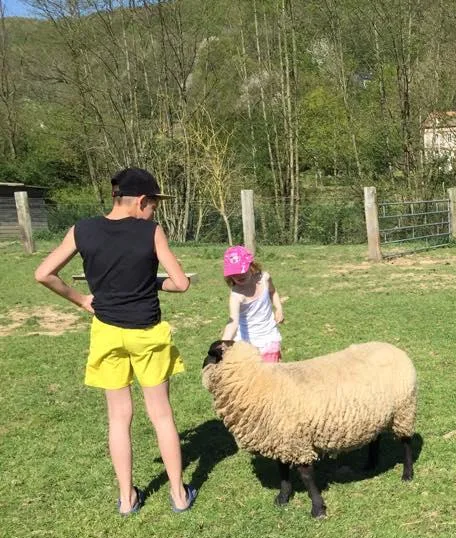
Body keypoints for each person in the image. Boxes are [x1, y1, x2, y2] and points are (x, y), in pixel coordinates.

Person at [34, 167, 197, 515]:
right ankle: (179, 496)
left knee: (118, 418)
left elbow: (43, 274)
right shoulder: (151, 232)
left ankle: (126, 500)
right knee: (161, 415)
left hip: (106, 332)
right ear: (141, 200)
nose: (155, 211)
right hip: (147, 334)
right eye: (154, 204)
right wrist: (153, 282)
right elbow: (181, 283)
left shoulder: (82, 230)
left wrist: (81, 300)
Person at [221, 246, 284, 362]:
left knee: (270, 375)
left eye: (242, 271)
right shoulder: (236, 295)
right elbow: (233, 322)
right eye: (234, 274)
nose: (239, 275)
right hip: (246, 342)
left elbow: (273, 291)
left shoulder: (264, 278)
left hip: (269, 337)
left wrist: (279, 308)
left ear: (251, 266)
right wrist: (222, 345)